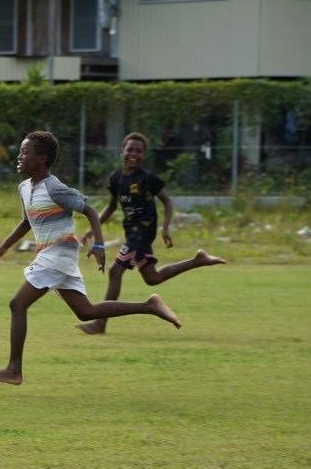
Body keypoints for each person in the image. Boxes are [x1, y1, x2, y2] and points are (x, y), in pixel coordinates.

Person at [0, 130, 181, 386]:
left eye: (24, 152)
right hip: (52, 255)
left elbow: (90, 211)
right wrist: (2, 248)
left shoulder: (54, 187)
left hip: (58, 254)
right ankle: (149, 306)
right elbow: (26, 222)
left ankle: (13, 370)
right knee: (86, 312)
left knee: (17, 304)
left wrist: (98, 244)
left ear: (41, 159)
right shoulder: (24, 187)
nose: (19, 156)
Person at [78, 131, 225, 335]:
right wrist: (91, 230)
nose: (134, 154)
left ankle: (100, 324)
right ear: (122, 151)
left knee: (115, 271)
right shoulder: (116, 179)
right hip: (132, 233)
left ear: (143, 155)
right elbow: (111, 207)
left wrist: (165, 227)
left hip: (143, 232)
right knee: (152, 278)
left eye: (139, 151)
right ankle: (198, 260)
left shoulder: (147, 178)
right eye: (130, 149)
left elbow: (167, 201)